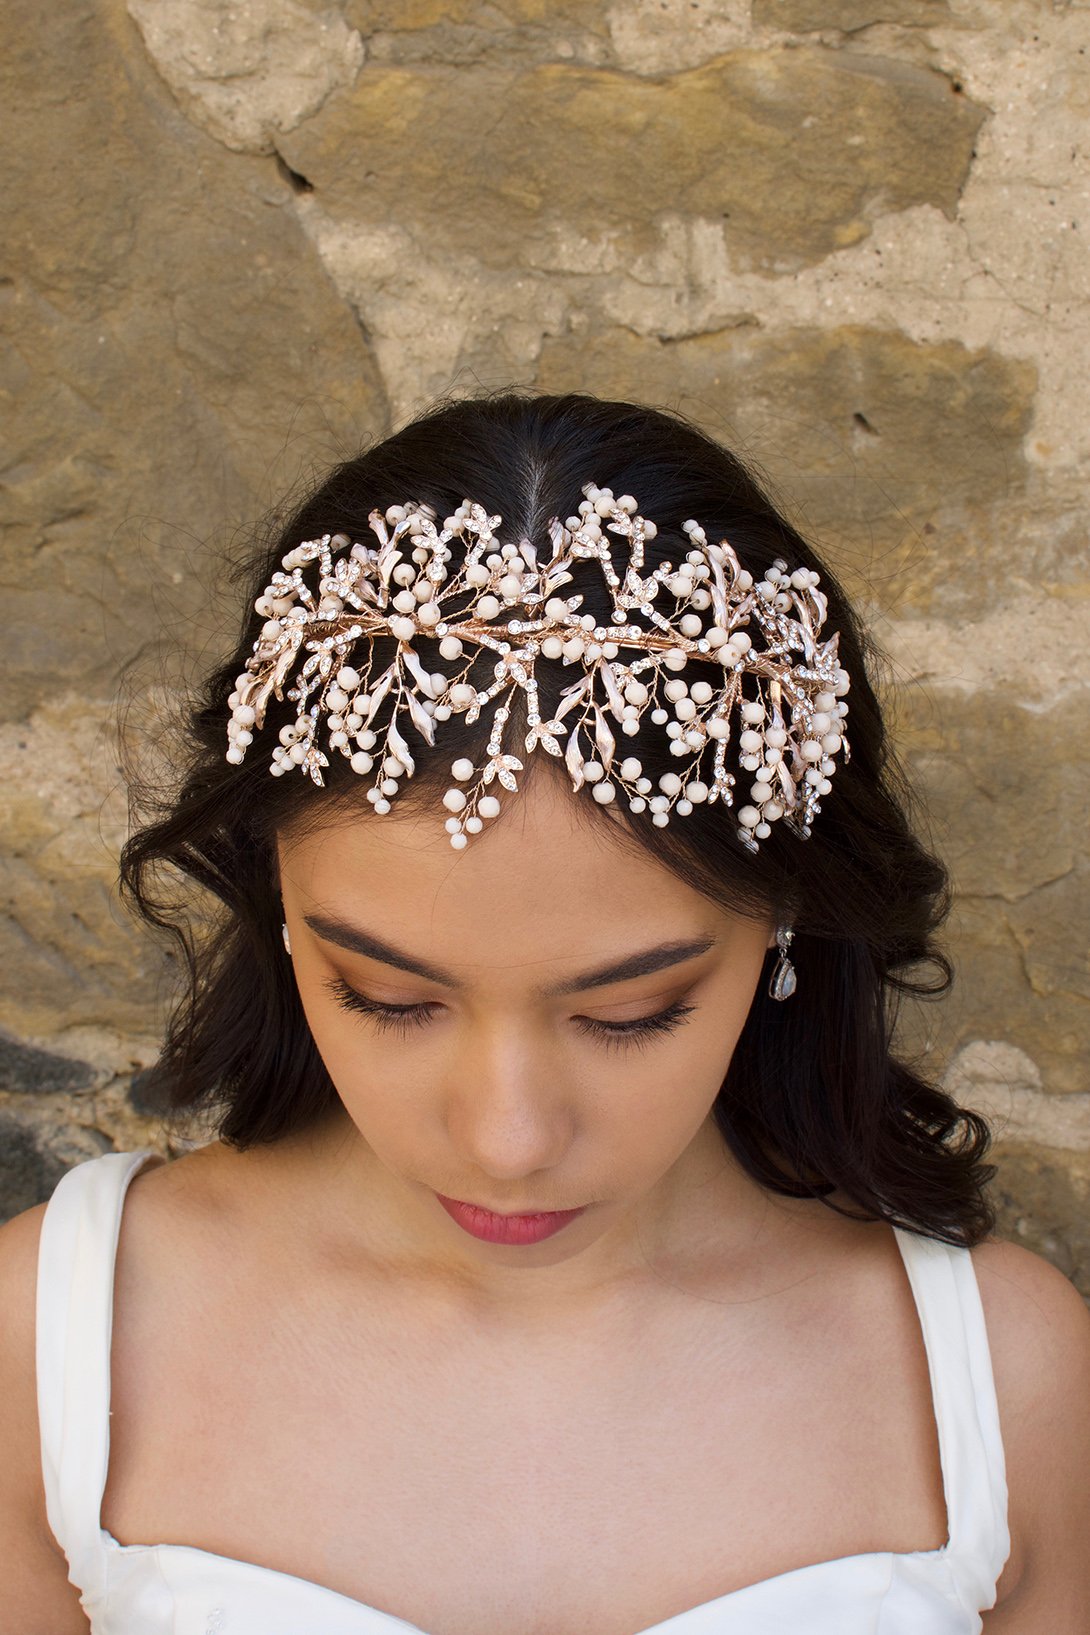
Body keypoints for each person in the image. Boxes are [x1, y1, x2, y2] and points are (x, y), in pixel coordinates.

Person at [1, 389, 1087, 1634]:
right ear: (278, 902)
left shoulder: (1004, 1388)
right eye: (389, 997)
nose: (508, 1140)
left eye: (630, 1013)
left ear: (785, 921)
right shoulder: (54, 1345)